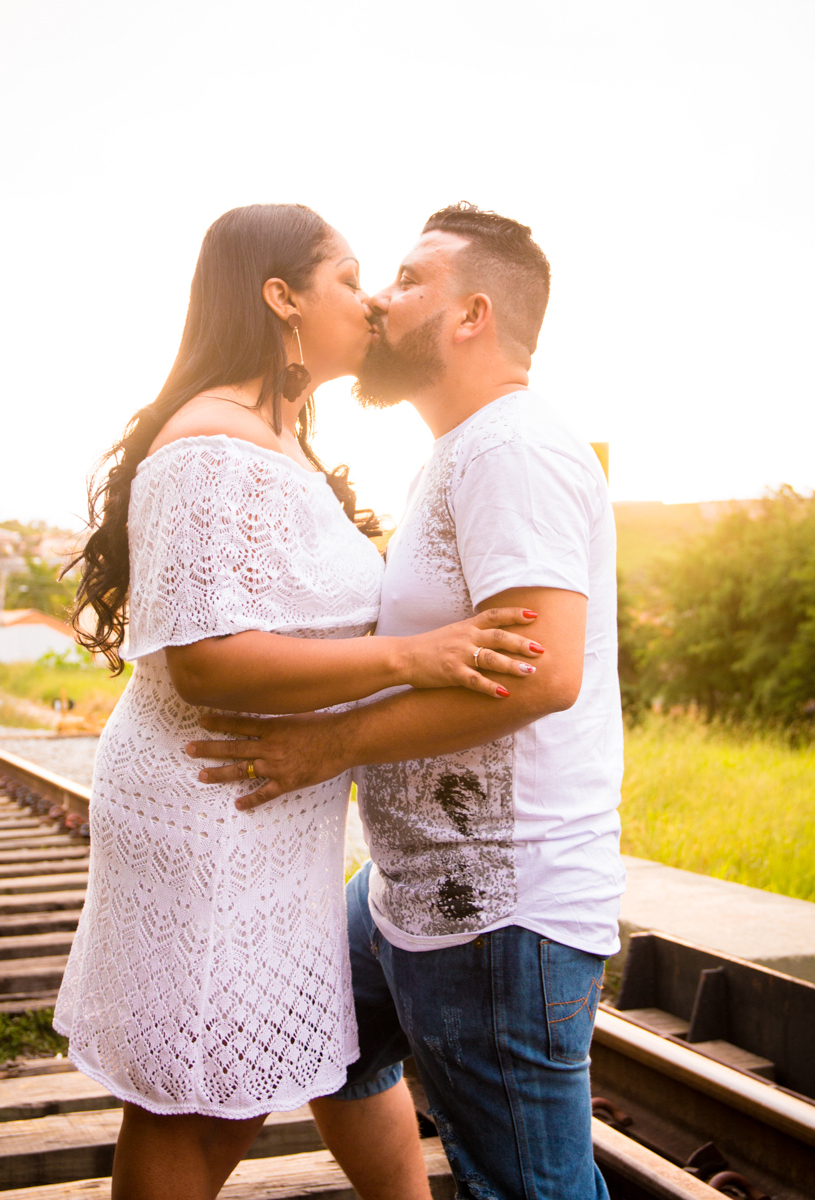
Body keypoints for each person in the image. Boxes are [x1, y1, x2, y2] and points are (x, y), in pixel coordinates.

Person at [53, 202, 545, 1200]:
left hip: (260, 809)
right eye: (345, 277)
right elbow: (206, 662)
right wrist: (418, 658)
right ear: (279, 298)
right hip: (212, 805)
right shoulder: (212, 445)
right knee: (199, 1099)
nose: (367, 301)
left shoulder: (274, 439)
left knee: (261, 1064)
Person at [190, 203, 625, 1200]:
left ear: (471, 316)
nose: (381, 299)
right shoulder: (459, 451)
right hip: (410, 892)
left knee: (526, 1188)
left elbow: (542, 672)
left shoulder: (510, 450)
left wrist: (324, 747)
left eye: (410, 279)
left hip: (495, 910)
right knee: (322, 1047)